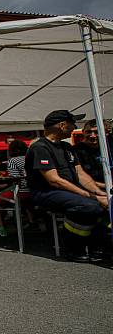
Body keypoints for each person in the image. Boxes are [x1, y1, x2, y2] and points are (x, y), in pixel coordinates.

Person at [25, 110, 108, 262]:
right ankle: (73, 248)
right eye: (72, 124)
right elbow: (54, 181)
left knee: (106, 203)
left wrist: (102, 193)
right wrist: (93, 197)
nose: (74, 127)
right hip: (47, 192)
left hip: (67, 190)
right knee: (90, 206)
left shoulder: (67, 147)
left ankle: (98, 246)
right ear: (62, 125)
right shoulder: (40, 147)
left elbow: (81, 175)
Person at [76, 119, 112, 187]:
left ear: (106, 133)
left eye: (96, 132)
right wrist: (107, 186)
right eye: (88, 132)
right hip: (92, 188)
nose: (92, 135)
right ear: (83, 132)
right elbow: (79, 177)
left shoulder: (110, 147)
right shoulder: (75, 151)